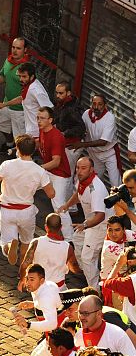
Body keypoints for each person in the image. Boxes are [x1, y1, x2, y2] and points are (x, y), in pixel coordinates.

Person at [0, 135, 54, 265]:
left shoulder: (7, 165)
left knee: (5, 242)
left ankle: (9, 247)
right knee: (26, 242)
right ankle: (23, 270)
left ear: (17, 148)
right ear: (34, 150)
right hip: (26, 212)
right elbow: (51, 194)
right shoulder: (39, 171)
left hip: (7, 211)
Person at [56, 157, 112, 288]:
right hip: (90, 223)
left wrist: (84, 225)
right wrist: (67, 205)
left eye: (83, 168)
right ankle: (87, 272)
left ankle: (94, 289)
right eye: (77, 168)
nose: (79, 171)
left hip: (100, 225)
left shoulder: (96, 189)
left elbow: (100, 215)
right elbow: (78, 194)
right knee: (77, 240)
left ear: (91, 169)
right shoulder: (82, 180)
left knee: (88, 259)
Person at [0, 37, 29, 156]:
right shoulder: (8, 61)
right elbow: (4, 76)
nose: (15, 51)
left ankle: (18, 155)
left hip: (19, 109)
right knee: (2, 125)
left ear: (25, 50)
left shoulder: (26, 68)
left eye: (18, 48)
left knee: (20, 137)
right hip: (6, 103)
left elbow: (25, 94)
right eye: (13, 47)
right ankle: (9, 144)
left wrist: (4, 104)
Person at [18, 214, 81, 292]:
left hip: (38, 287)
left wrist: (22, 280)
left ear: (46, 227)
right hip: (58, 288)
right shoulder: (68, 247)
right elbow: (74, 268)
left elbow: (25, 264)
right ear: (60, 227)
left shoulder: (36, 242)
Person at [37, 107, 74, 241]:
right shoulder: (42, 130)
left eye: (42, 118)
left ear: (50, 120)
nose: (39, 121)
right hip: (48, 171)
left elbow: (56, 162)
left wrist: (37, 168)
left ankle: (70, 240)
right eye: (38, 118)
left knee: (59, 207)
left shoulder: (56, 137)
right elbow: (40, 144)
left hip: (59, 174)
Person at [0, 62, 52, 139]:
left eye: (24, 77)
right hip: (30, 129)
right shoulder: (29, 86)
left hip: (36, 132)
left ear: (32, 76)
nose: (21, 79)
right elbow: (22, 98)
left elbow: (49, 108)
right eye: (20, 76)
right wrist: (4, 105)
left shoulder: (36, 90)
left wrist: (44, 130)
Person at [71, 94, 121, 187]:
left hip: (109, 154)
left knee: (115, 183)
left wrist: (82, 144)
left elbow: (103, 142)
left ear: (105, 105)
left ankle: (120, 200)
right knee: (94, 181)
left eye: (100, 104)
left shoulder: (109, 118)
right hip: (94, 154)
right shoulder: (86, 114)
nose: (96, 107)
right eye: (94, 104)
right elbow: (80, 129)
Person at [53, 81, 86, 179]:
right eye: (57, 93)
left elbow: (81, 127)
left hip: (71, 146)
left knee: (68, 173)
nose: (58, 95)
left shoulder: (72, 108)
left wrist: (64, 133)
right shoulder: (61, 104)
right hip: (64, 143)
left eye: (61, 93)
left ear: (68, 93)